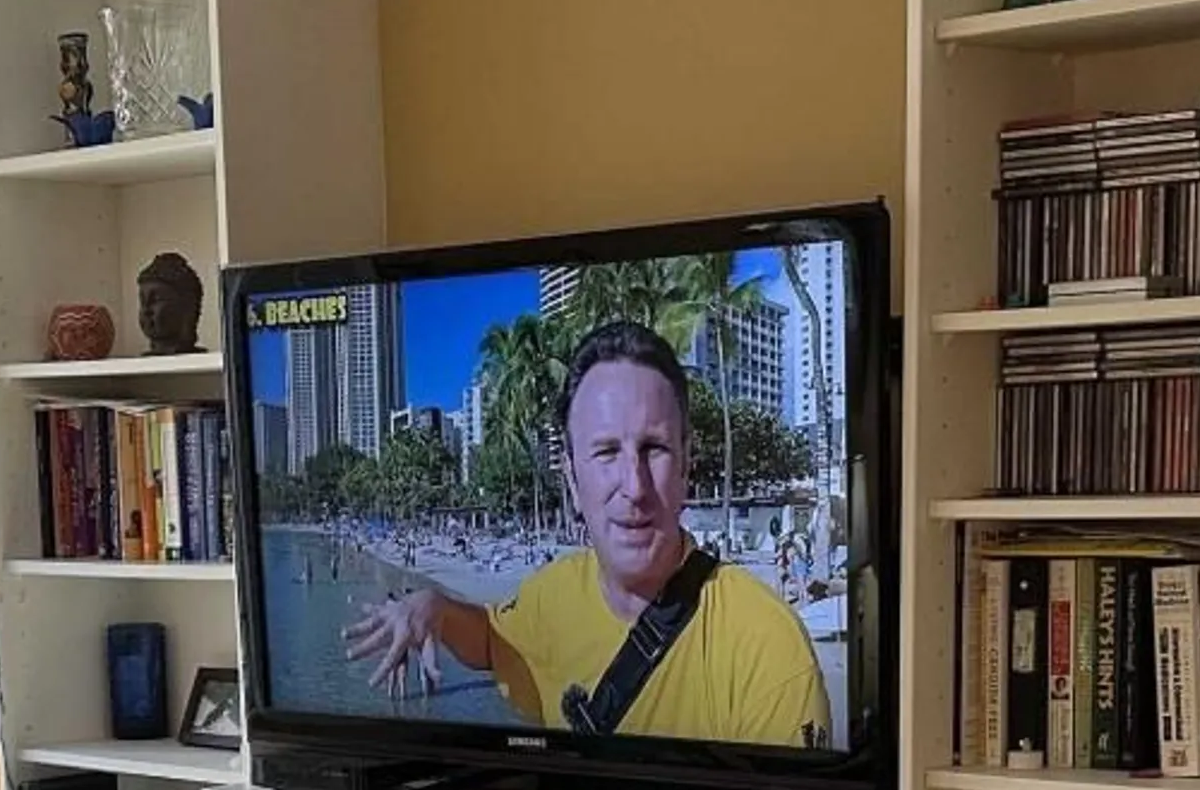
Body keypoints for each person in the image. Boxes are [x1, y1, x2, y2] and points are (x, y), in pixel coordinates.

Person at [338, 319, 831, 748]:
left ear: (686, 465)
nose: (634, 487)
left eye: (654, 448)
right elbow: (493, 642)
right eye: (606, 452)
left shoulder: (766, 648)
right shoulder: (553, 596)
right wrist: (435, 608)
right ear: (572, 480)